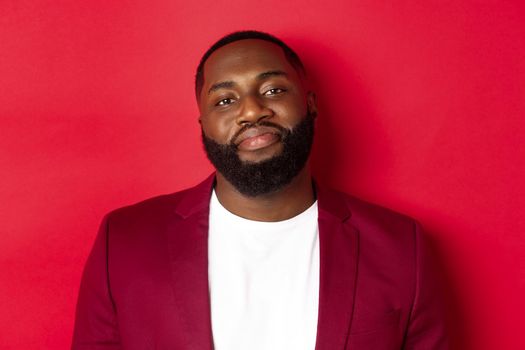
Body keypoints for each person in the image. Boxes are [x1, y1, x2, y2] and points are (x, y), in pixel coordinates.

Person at [72, 30, 448, 349]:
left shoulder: (401, 248)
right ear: (203, 123)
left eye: (272, 90)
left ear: (310, 104)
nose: (251, 111)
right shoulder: (123, 242)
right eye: (225, 99)